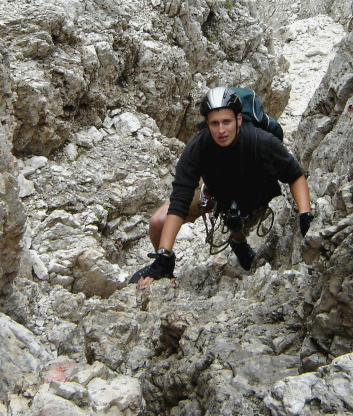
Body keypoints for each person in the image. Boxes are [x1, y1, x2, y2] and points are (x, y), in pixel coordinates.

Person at [130, 86, 314, 289]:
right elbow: (180, 200)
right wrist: (164, 254)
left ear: (239, 119)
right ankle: (164, 267)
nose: (221, 130)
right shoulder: (198, 148)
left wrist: (305, 214)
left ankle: (238, 241)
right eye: (214, 123)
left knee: (238, 215)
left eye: (226, 121)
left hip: (255, 191)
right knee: (158, 222)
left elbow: (295, 175)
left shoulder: (260, 142)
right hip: (214, 188)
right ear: (206, 124)